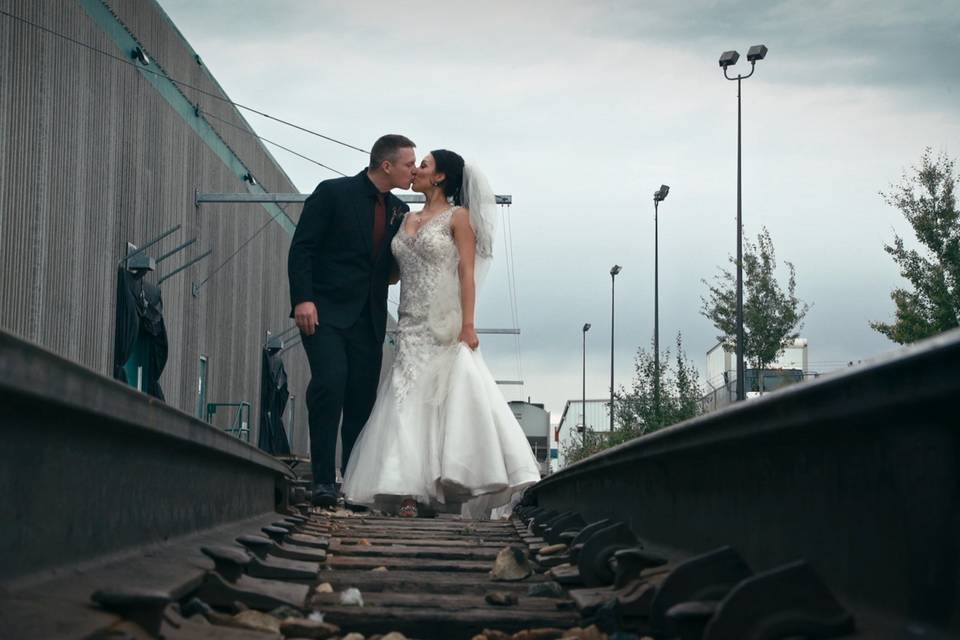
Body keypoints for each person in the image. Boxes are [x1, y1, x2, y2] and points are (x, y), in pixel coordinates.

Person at [341, 149, 541, 518]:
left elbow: (466, 271)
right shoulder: (405, 217)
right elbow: (392, 271)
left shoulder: (458, 218)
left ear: (440, 178)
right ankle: (406, 490)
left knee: (439, 400)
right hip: (409, 323)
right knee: (404, 397)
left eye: (425, 165)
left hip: (442, 323)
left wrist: (468, 323)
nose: (415, 170)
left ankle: (435, 485)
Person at [287, 134, 417, 507]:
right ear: (386, 165)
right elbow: (303, 248)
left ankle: (355, 486)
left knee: (361, 401)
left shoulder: (398, 211)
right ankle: (324, 482)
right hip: (324, 311)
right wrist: (303, 299)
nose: (413, 169)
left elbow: (390, 268)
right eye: (409, 164)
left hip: (370, 319)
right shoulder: (332, 193)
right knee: (330, 383)